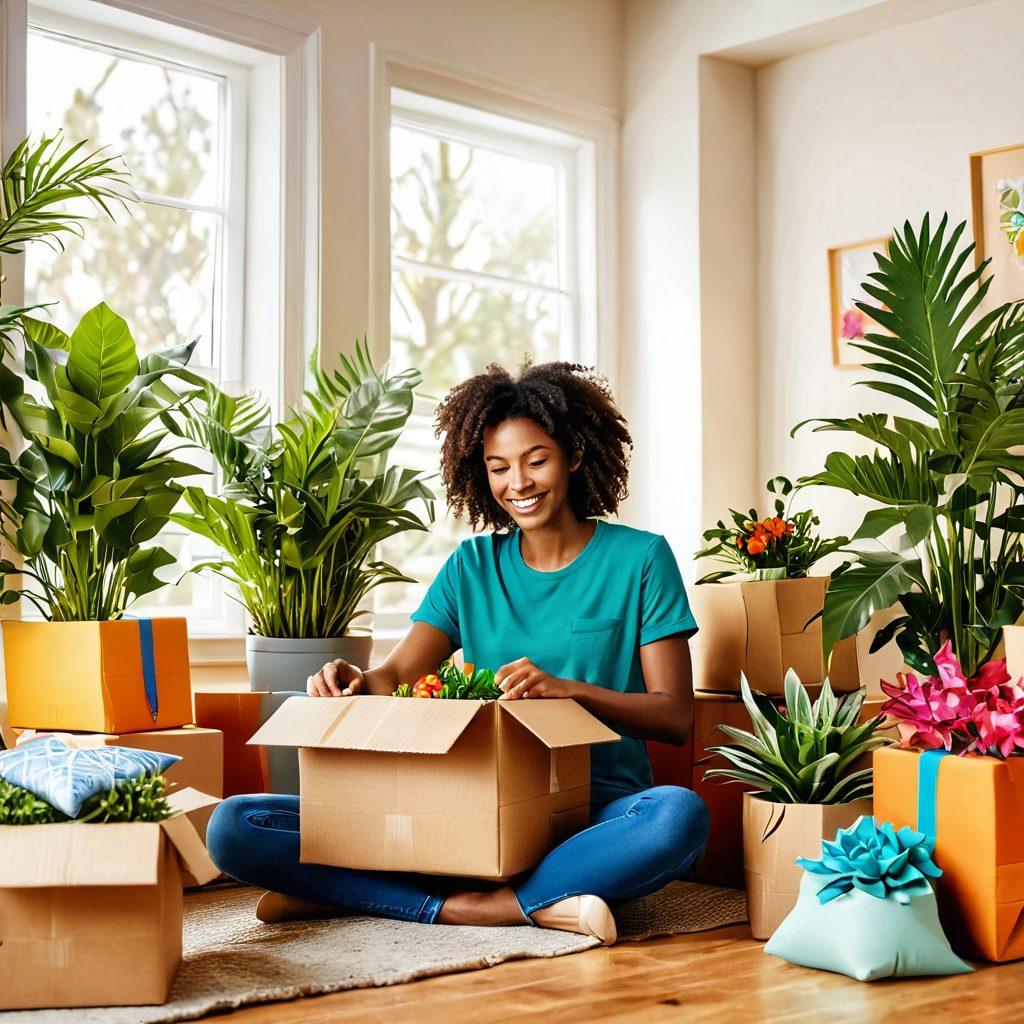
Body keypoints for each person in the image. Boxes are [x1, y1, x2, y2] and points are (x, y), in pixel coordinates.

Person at [206, 361, 709, 945]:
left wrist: (570, 691)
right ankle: (512, 904)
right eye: (499, 467)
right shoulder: (470, 567)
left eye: (536, 461)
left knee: (677, 817)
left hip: (593, 814)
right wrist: (353, 678)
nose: (518, 483)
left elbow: (674, 716)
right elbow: (398, 672)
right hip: (469, 811)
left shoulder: (640, 559)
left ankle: (407, 899)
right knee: (236, 824)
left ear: (574, 456)